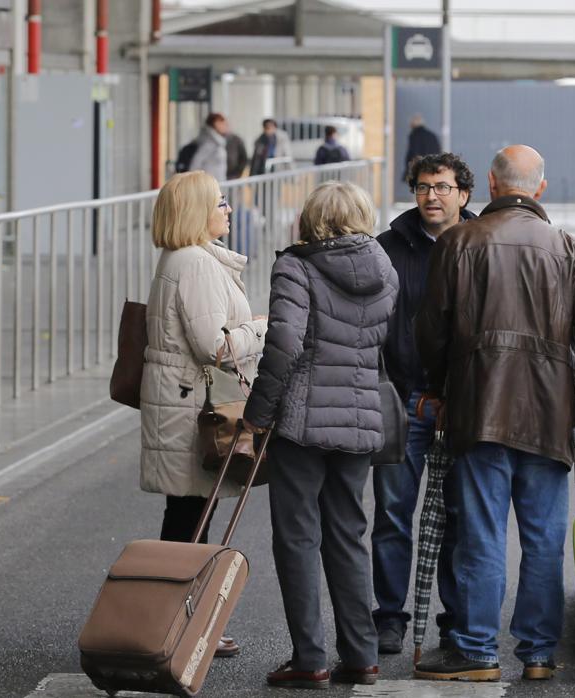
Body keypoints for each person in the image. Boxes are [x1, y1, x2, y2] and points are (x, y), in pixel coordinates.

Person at [413, 145, 575, 682]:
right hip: (550, 415)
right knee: (544, 538)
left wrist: (437, 389)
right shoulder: (567, 248)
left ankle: (477, 650)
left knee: (481, 533)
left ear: (494, 188)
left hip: (478, 409)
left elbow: (430, 332)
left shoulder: (458, 242)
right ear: (539, 189)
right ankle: (539, 654)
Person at [243, 181, 399, 689]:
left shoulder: (296, 266)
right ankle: (362, 655)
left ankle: (309, 658)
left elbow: (283, 344)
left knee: (296, 539)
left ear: (312, 218)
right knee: (350, 536)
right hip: (358, 419)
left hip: (302, 425)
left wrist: (258, 415)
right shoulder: (384, 268)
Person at [139, 171, 267, 660]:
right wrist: (259, 328)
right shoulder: (194, 263)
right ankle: (177, 622)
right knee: (190, 520)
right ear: (196, 212)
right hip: (192, 408)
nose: (229, 209)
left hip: (184, 403)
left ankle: (177, 619)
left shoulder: (189, 259)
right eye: (220, 202)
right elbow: (214, 345)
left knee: (190, 514)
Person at [371, 152, 476, 655]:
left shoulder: (482, 243)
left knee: (457, 516)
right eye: (421, 187)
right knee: (392, 513)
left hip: (463, 405)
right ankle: (389, 616)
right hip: (402, 399)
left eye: (441, 186)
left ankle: (455, 620)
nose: (431, 196)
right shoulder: (387, 249)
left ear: (464, 194)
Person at [189, 113, 230, 182]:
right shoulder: (209, 143)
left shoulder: (218, 142)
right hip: (209, 186)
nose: (225, 126)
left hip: (216, 184)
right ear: (216, 123)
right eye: (222, 123)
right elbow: (195, 164)